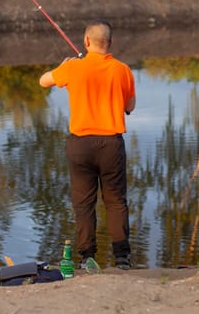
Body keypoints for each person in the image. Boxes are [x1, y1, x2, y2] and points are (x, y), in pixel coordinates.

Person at [39, 20, 136, 270]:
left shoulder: (73, 69)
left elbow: (43, 81)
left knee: (84, 203)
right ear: (110, 43)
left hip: (80, 145)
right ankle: (122, 258)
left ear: (86, 42)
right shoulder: (122, 69)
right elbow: (130, 107)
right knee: (116, 201)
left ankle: (86, 257)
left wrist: (64, 66)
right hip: (111, 145)